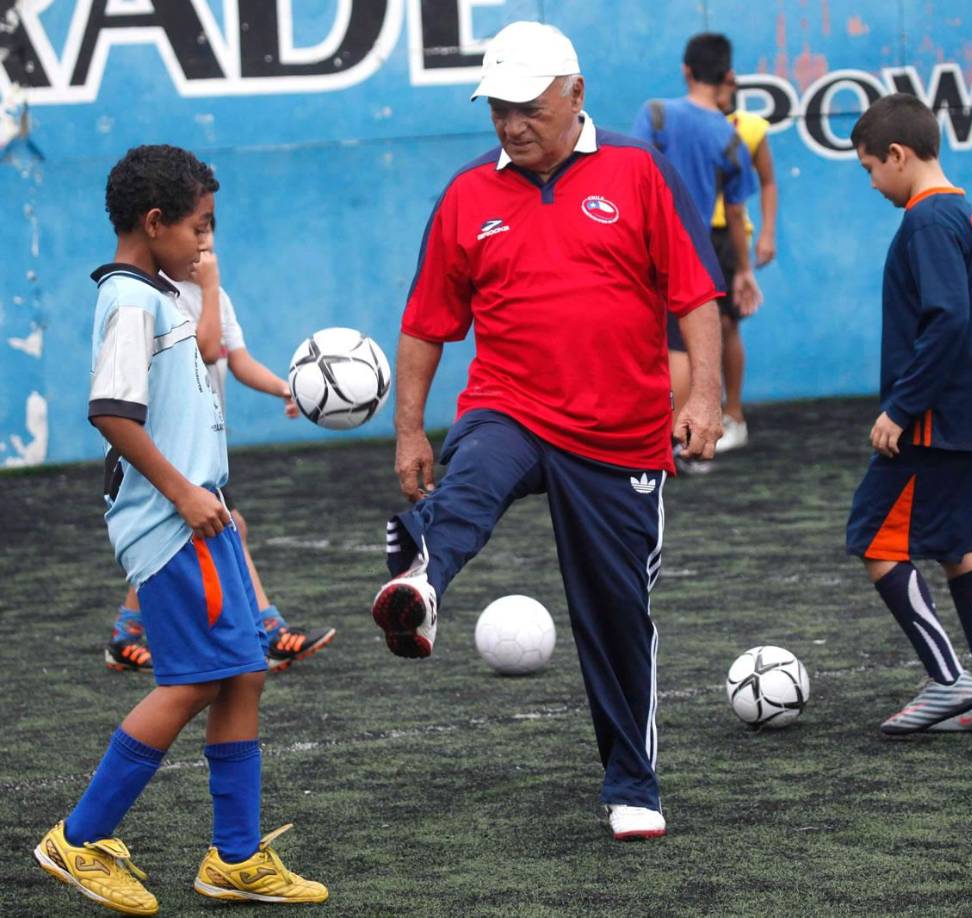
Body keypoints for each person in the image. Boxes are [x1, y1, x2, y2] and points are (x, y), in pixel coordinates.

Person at [370, 21, 725, 841]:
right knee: (474, 470)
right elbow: (425, 326)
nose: (509, 124)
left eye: (525, 107)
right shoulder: (466, 196)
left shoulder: (638, 172)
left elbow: (693, 296)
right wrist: (409, 432)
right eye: (496, 108)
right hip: (512, 403)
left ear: (574, 95)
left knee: (615, 614)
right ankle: (421, 586)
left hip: (620, 437)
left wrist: (702, 396)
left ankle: (632, 784)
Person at [33, 145, 327, 914]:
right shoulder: (129, 299)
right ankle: (79, 838)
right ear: (154, 222)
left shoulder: (162, 295)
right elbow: (110, 412)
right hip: (174, 523)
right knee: (196, 679)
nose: (206, 243)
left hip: (206, 515)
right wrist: (182, 493)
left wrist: (206, 497)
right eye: (199, 228)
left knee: (243, 672)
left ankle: (233, 857)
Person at [846, 94, 972, 735]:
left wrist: (901, 407)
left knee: (873, 537)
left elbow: (946, 321)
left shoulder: (925, 220)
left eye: (870, 168)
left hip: (935, 424)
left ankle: (949, 679)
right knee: (954, 545)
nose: (872, 183)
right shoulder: (960, 211)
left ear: (897, 156)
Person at [105, 228, 336, 676]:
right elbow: (208, 348)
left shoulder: (217, 297)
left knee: (223, 528)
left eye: (209, 228)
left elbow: (236, 358)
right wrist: (208, 288)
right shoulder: (168, 297)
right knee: (217, 528)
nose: (204, 240)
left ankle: (126, 632)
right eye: (197, 228)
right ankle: (268, 630)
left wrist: (286, 389)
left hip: (203, 447)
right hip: (173, 447)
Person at [631, 32, 761, 457]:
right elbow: (738, 212)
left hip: (641, 245)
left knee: (665, 345)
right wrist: (744, 270)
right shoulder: (729, 136)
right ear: (726, 75)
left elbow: (634, 177)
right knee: (681, 344)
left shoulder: (655, 115)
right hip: (695, 250)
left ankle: (668, 438)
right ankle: (681, 441)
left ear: (686, 70)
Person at [708, 75, 779, 452]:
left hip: (730, 238)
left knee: (726, 324)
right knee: (686, 332)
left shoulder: (751, 127)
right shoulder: (690, 123)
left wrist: (767, 232)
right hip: (692, 233)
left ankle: (733, 416)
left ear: (731, 83)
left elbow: (768, 181)